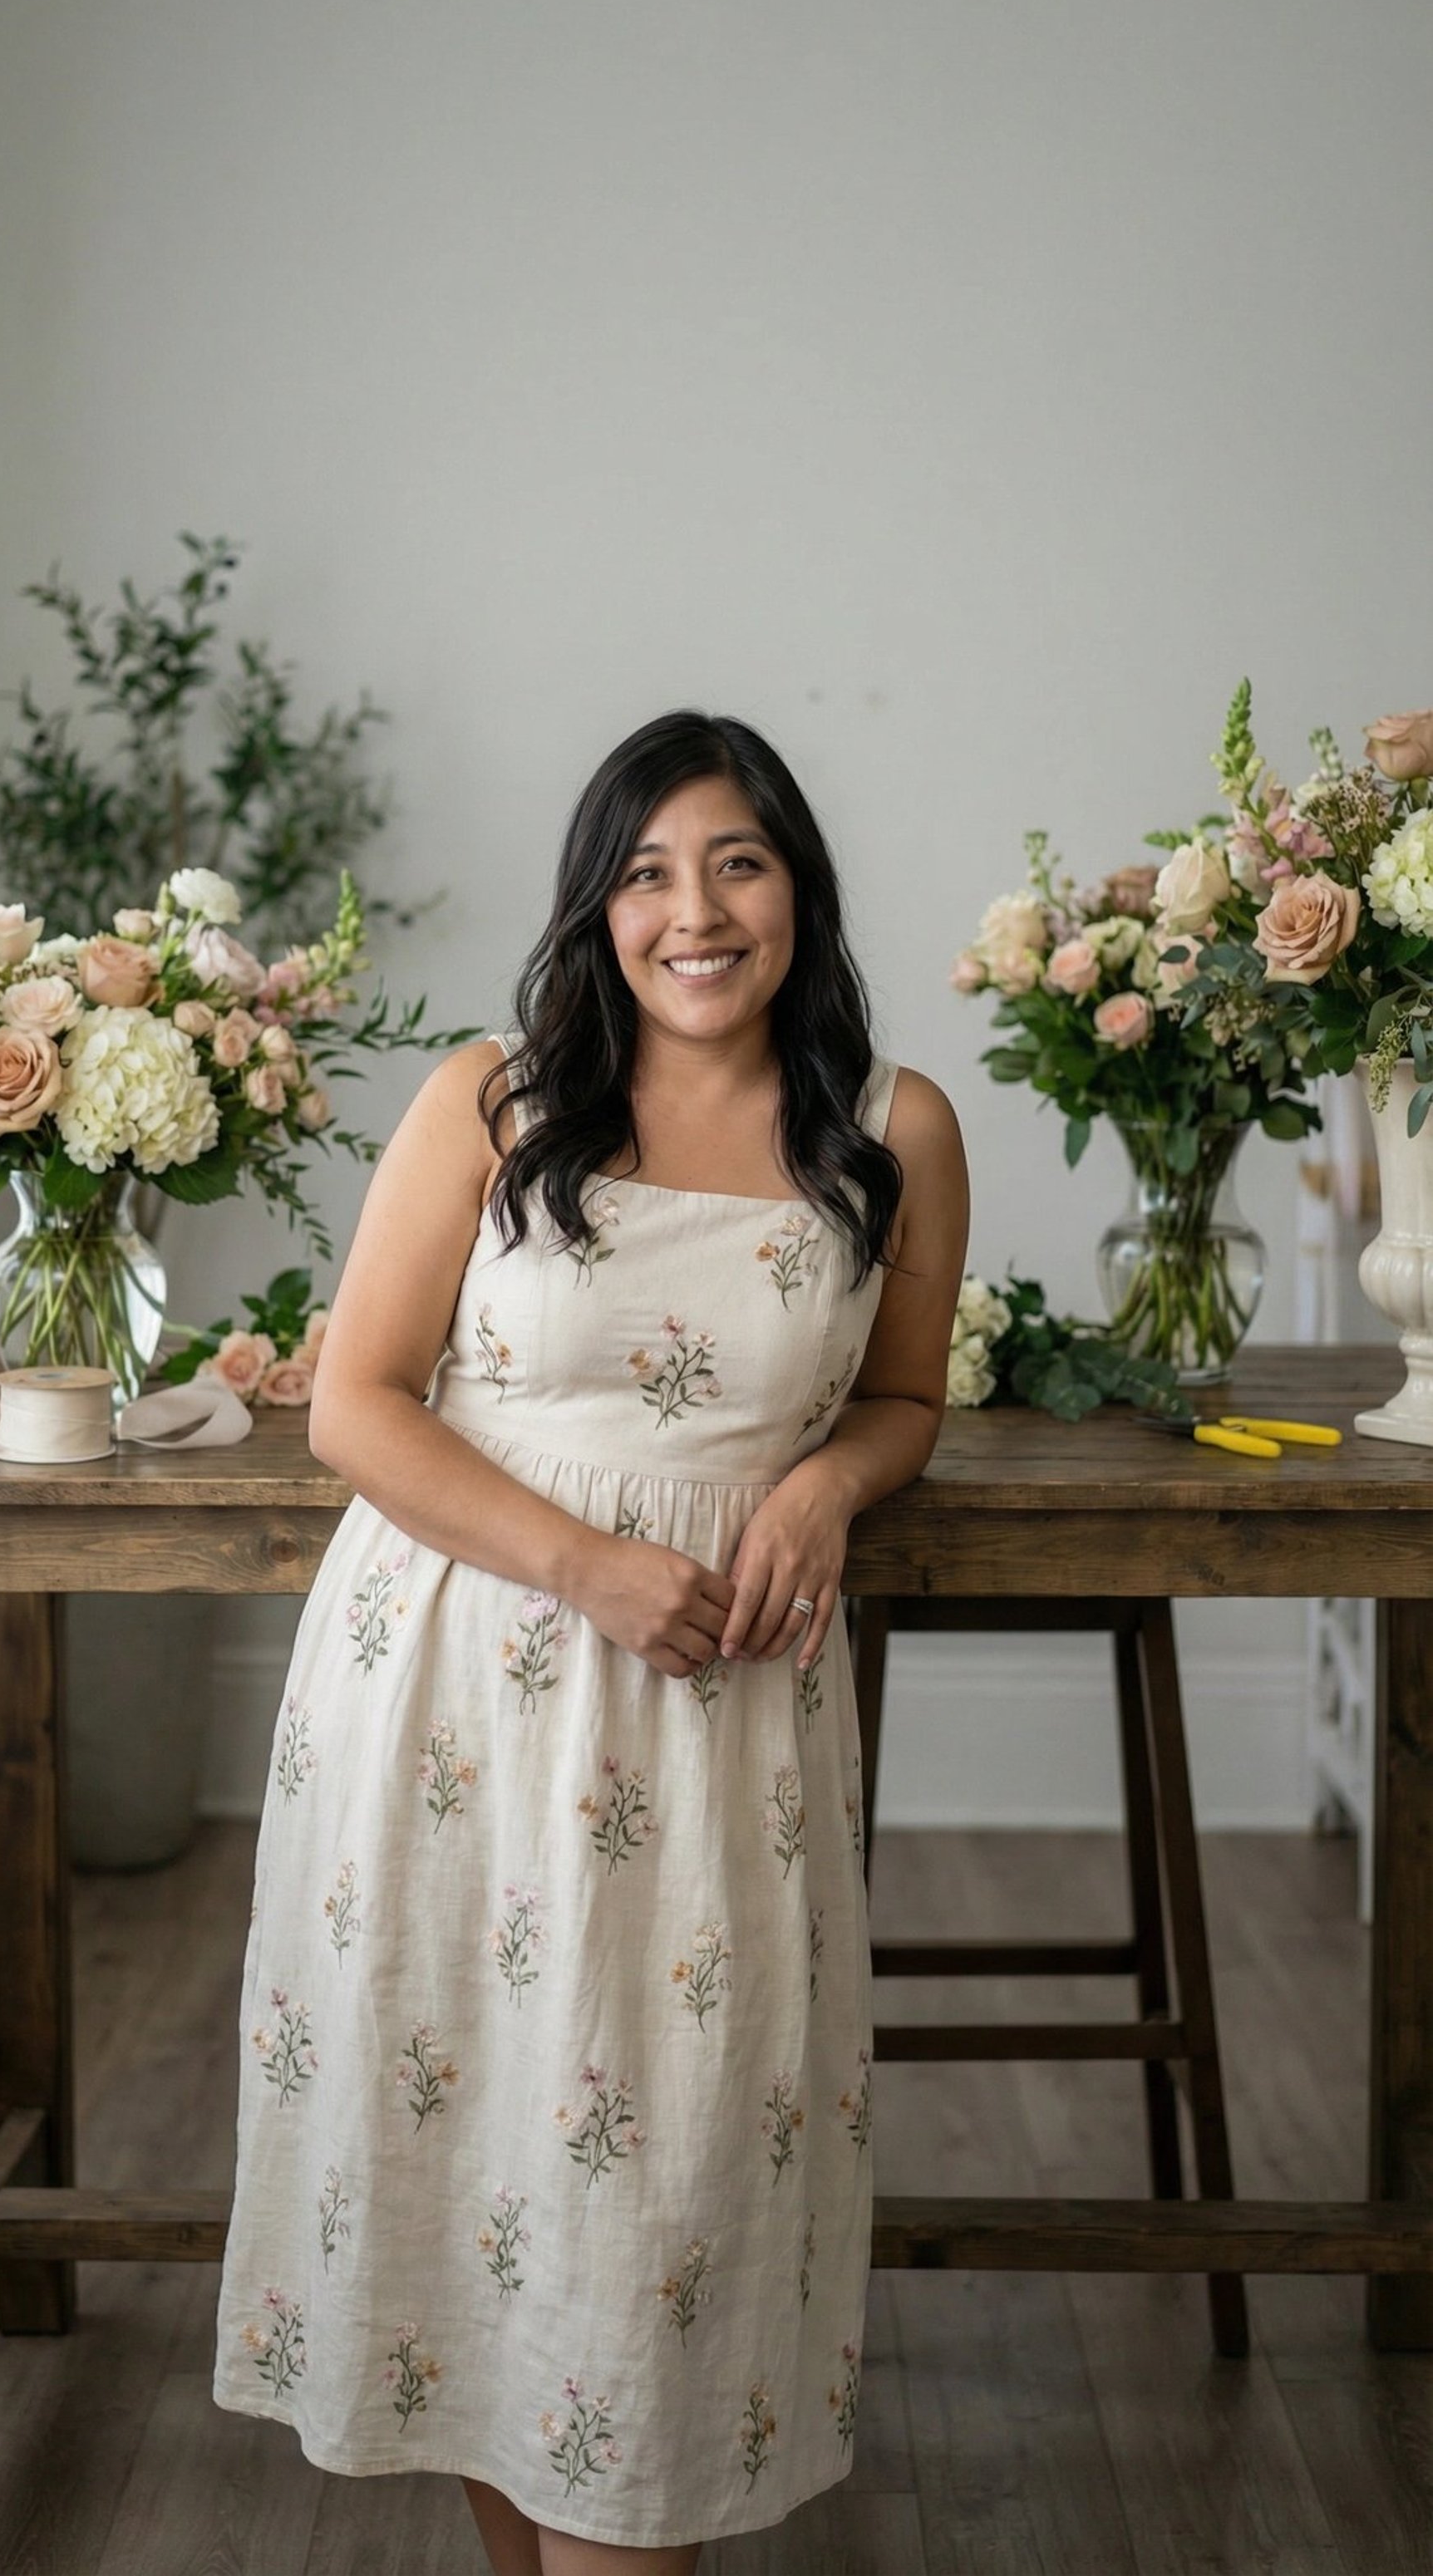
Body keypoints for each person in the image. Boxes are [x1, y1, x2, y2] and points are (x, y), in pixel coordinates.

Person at [212, 708, 968, 2576]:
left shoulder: (895, 1126)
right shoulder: (493, 1096)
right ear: (594, 906)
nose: (692, 911)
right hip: (457, 1691)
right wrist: (586, 1564)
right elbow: (357, 1408)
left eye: (737, 861)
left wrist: (824, 1489)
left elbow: (907, 1397)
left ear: (799, 886)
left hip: (713, 1730)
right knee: (481, 2175)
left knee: (658, 2207)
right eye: (644, 871)